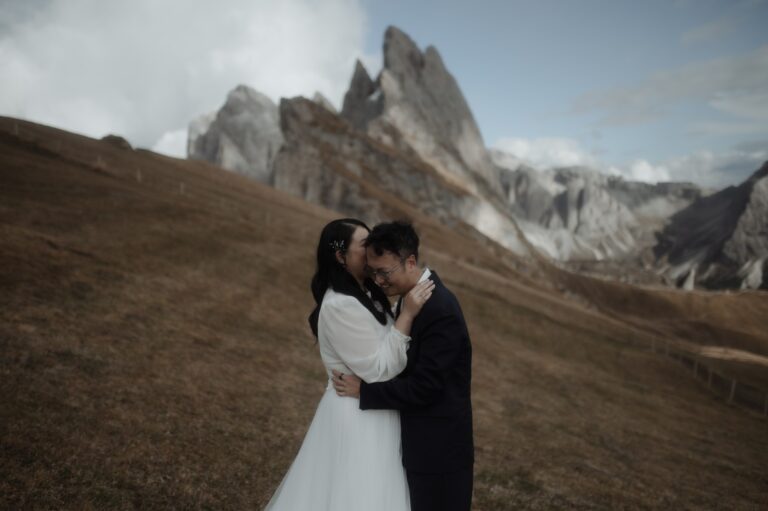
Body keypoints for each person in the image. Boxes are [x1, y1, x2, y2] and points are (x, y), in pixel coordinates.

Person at [264, 218, 434, 511]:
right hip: (356, 416)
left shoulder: (366, 292)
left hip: (372, 408)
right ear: (341, 257)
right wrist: (406, 316)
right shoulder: (340, 305)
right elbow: (380, 369)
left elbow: (378, 336)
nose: (372, 251)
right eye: (364, 246)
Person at [332, 221, 474, 511]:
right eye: (373, 272)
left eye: (384, 272)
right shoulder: (412, 300)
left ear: (410, 261)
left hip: (439, 454)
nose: (380, 281)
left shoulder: (440, 311)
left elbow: (425, 388)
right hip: (421, 447)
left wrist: (365, 390)